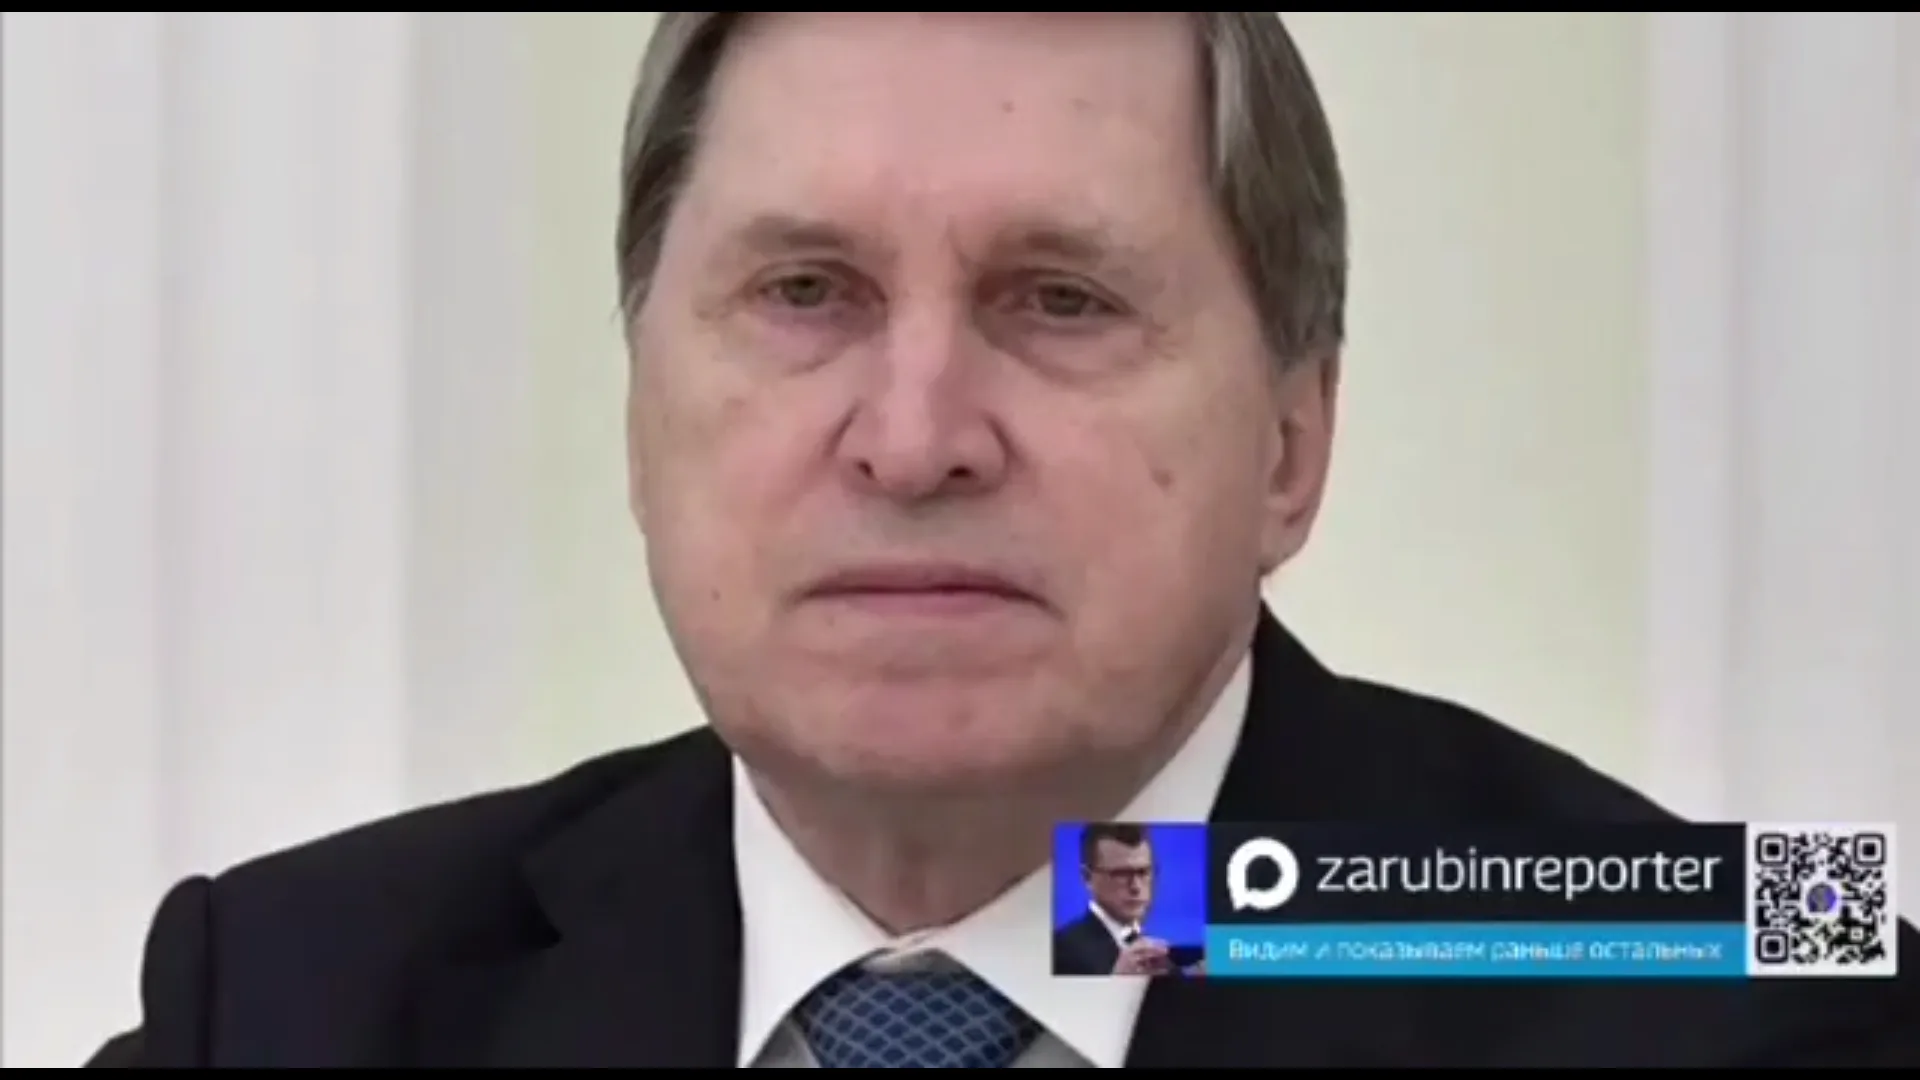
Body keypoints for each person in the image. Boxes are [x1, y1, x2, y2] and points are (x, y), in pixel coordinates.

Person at [85, 12, 1918, 1068]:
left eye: (1061, 301)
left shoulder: (1762, 981)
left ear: (1293, 443)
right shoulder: (286, 1001)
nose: (914, 438)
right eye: (804, 293)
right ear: (643, 410)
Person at [1052, 823, 1192, 977]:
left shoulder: (1160, 956)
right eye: (1121, 874)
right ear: (1087, 877)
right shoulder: (1060, 949)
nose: (1136, 887)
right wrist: (1117, 980)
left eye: (1143, 872)